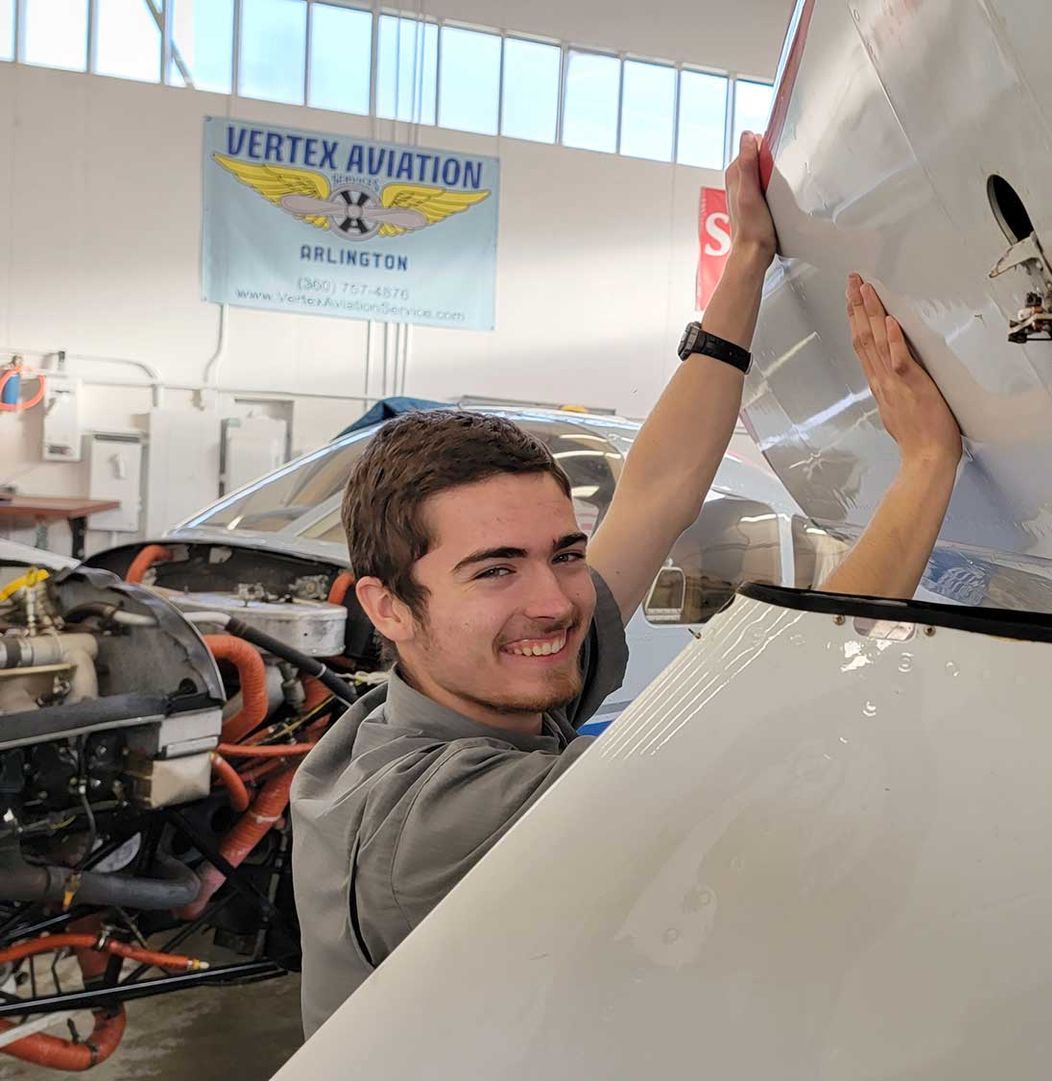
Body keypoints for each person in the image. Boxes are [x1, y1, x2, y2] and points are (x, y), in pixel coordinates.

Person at [289, 132, 962, 1036]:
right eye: (494, 568)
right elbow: (787, 699)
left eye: (562, 552)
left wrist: (749, 259)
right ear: (386, 606)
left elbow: (656, 492)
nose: (556, 600)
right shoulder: (442, 819)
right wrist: (925, 463)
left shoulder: (456, 691)